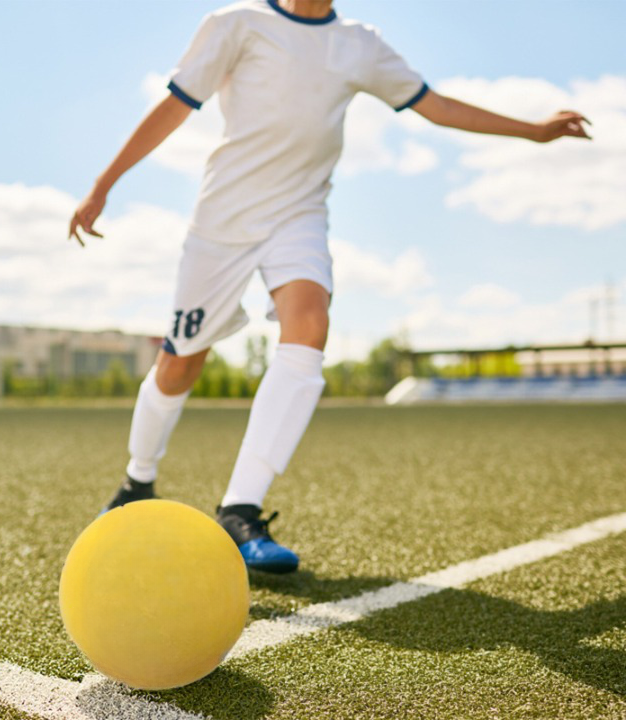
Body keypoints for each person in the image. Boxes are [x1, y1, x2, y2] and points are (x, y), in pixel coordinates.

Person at [69, 0, 590, 574]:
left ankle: (240, 509)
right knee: (180, 364)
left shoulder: (359, 44)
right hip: (221, 224)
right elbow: (174, 107)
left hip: (298, 216)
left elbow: (435, 105)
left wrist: (534, 131)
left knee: (310, 323)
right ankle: (137, 479)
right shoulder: (236, 24)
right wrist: (103, 185)